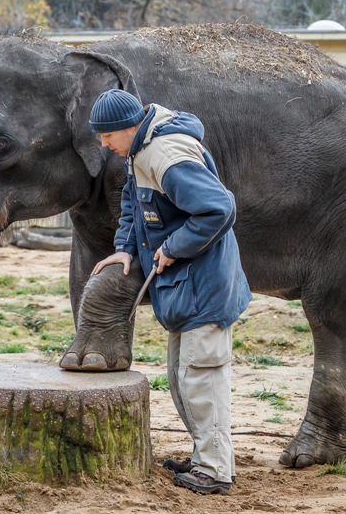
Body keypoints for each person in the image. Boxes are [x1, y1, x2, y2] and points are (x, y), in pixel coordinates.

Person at [89, 89, 251, 495]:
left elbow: (219, 209)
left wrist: (173, 247)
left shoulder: (166, 154)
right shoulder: (138, 151)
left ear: (128, 127)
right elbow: (131, 202)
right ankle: (204, 457)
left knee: (201, 377)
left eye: (107, 136)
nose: (103, 145)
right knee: (181, 377)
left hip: (204, 283)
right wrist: (125, 249)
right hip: (185, 286)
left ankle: (215, 471)